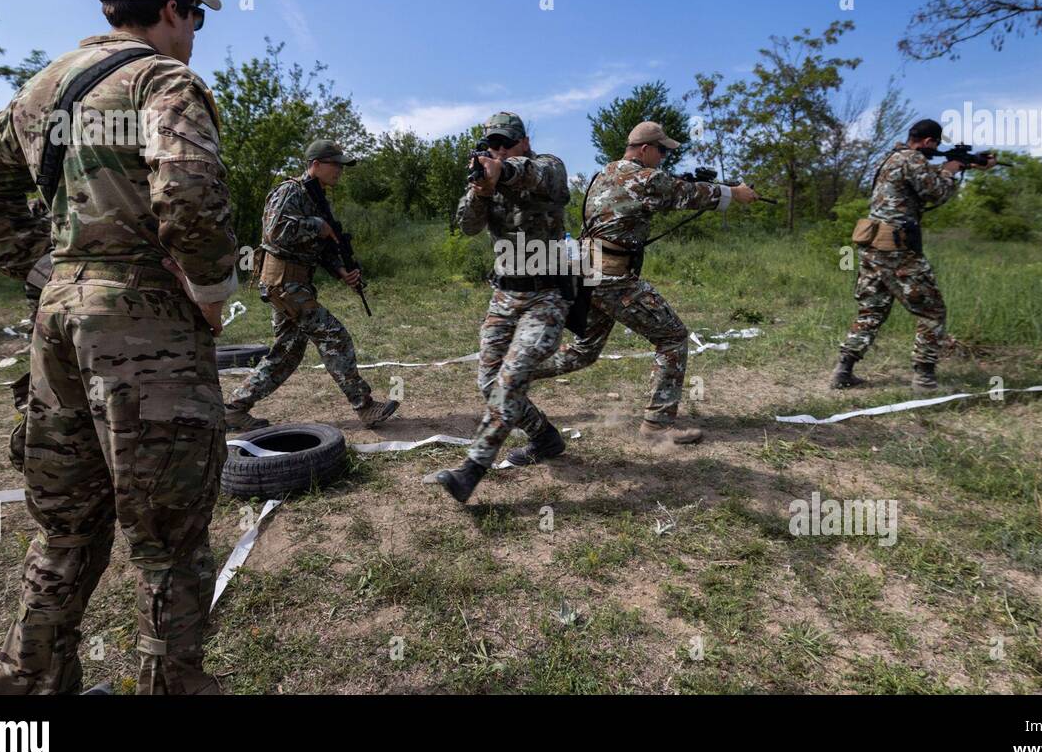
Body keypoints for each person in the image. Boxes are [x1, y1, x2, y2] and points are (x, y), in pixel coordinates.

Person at [0, 0, 236, 694]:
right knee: (169, 542)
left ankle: (25, 703)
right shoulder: (159, 78)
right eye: (195, 19)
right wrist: (211, 295)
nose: (195, 35)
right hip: (143, 325)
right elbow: (191, 192)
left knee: (66, 531)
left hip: (57, 324)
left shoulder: (43, 90)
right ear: (173, 10)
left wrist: (43, 268)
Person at [526, 120, 759, 444]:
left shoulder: (603, 173)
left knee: (584, 352)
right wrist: (734, 193)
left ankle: (517, 373)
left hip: (586, 273)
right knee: (673, 337)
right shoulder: (644, 178)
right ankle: (657, 425)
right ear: (645, 149)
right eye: (662, 150)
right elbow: (688, 194)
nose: (664, 157)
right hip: (612, 279)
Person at [425, 112, 571, 503]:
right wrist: (482, 191)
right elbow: (467, 225)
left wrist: (501, 172)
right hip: (505, 296)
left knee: (511, 378)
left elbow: (542, 179)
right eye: (493, 145)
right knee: (489, 383)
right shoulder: (485, 178)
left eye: (507, 143)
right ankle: (545, 438)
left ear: (524, 141)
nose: (500, 150)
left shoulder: (548, 166)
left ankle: (471, 470)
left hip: (548, 294)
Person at [224, 139, 400, 431]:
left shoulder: (316, 198)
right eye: (335, 165)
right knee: (334, 337)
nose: (340, 171)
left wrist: (342, 271)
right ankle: (365, 406)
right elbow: (275, 233)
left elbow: (319, 248)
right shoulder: (290, 190)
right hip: (284, 282)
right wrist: (317, 226)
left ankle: (235, 408)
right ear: (315, 164)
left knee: (286, 354)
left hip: (293, 283)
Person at [830, 117, 995, 391]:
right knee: (932, 311)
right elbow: (936, 193)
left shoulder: (892, 158)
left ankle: (843, 370)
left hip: (873, 245)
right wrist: (952, 170)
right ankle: (924, 378)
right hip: (897, 249)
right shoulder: (913, 159)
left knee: (871, 311)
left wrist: (959, 165)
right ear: (929, 141)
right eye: (936, 144)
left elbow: (914, 188)